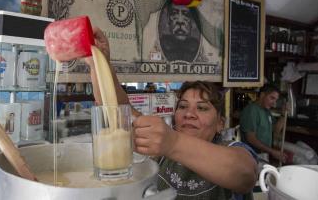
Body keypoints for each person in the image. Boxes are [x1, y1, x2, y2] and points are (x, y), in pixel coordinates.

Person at [86, 27, 258, 199]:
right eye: (183, 106)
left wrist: (173, 143)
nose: (189, 114)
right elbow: (117, 108)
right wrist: (99, 62)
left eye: (202, 108)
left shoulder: (229, 148)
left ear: (220, 123)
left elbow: (245, 174)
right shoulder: (161, 142)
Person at [240, 84, 287, 163]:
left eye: (276, 100)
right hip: (251, 155)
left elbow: (276, 130)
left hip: (263, 155)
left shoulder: (266, 111)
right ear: (262, 95)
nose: (274, 103)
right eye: (272, 98)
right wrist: (272, 151)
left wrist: (283, 115)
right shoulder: (251, 110)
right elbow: (251, 139)